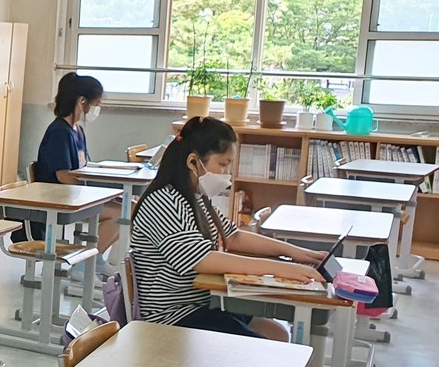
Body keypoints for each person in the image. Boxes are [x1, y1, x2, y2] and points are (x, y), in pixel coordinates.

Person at [129, 116, 325, 340]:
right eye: (222, 164)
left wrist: (293, 252)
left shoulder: (195, 196)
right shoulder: (164, 202)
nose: (227, 172)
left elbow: (233, 237)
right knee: (268, 349)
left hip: (201, 302)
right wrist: (282, 269)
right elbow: (202, 260)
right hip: (172, 316)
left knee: (277, 333)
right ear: (193, 162)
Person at [32, 73, 121, 273]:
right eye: (97, 103)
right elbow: (63, 176)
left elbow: (84, 167)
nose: (98, 109)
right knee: (122, 214)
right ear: (82, 101)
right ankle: (83, 264)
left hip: (77, 196)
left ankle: (95, 261)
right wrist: (101, 190)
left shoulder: (77, 130)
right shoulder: (59, 132)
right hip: (61, 199)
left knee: (129, 207)